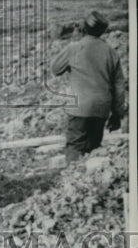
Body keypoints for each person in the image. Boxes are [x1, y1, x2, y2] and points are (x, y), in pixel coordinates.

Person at [51, 10, 125, 163]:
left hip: (80, 107)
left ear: (84, 28)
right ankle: (86, 181)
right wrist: (117, 115)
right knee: (93, 148)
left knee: (75, 148)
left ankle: (73, 181)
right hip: (101, 109)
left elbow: (55, 69)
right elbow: (119, 87)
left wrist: (75, 41)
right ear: (102, 32)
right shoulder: (111, 52)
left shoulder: (75, 47)